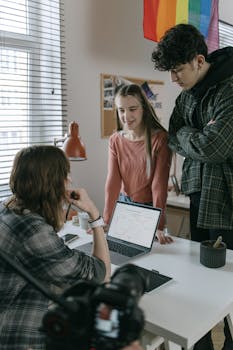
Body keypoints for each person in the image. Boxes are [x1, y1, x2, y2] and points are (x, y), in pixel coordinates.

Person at [151, 23, 233, 350]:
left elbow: (216, 147)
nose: (173, 80)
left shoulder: (229, 89)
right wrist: (193, 135)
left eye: (177, 70)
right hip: (200, 196)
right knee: (201, 282)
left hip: (228, 201)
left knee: (228, 286)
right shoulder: (188, 95)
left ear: (199, 60)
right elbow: (173, 133)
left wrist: (187, 135)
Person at [0, 145, 111, 350]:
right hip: (17, 333)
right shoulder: (35, 232)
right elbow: (101, 273)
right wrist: (95, 215)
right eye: (65, 175)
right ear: (52, 182)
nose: (69, 181)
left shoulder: (7, 208)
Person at [103, 83, 173, 244]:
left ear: (143, 109)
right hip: (124, 205)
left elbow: (158, 186)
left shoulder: (160, 139)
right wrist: (106, 220)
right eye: (121, 110)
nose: (126, 116)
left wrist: (159, 225)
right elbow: (113, 182)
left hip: (150, 210)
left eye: (132, 109)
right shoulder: (115, 140)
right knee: (121, 254)